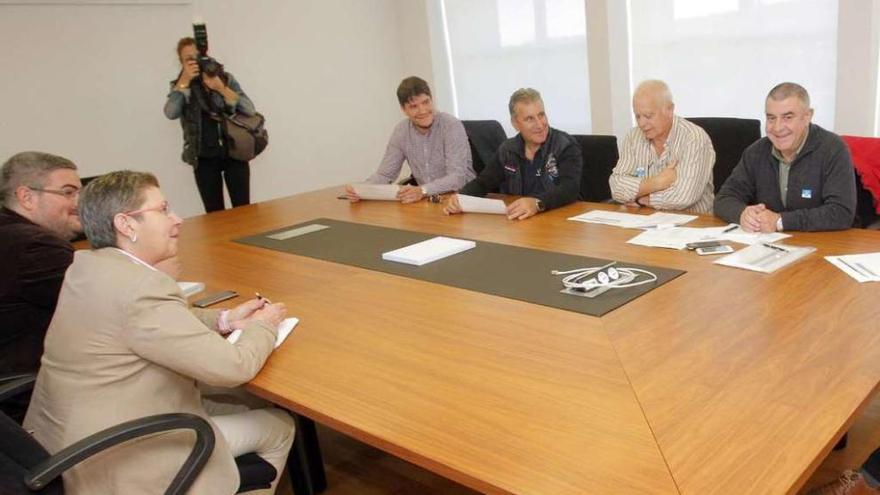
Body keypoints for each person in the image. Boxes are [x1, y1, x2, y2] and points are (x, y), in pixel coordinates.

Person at [24, 171, 294, 494]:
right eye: (163, 209)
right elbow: (234, 366)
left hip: (62, 444)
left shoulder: (88, 267)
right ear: (127, 225)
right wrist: (266, 324)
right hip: (116, 459)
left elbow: (156, 322)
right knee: (279, 425)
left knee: (240, 402)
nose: (176, 219)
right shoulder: (140, 288)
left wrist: (226, 320)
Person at [0, 151, 81, 422]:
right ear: (26, 197)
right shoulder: (35, 247)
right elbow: (111, 305)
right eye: (68, 193)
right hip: (35, 404)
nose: (78, 203)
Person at [714, 82, 856, 231]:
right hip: (769, 245)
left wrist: (780, 221)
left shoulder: (833, 149)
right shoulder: (756, 152)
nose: (777, 128)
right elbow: (724, 199)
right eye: (771, 118)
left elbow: (841, 213)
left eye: (787, 117)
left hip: (824, 244)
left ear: (807, 116)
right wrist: (743, 214)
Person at [443, 88, 582, 220]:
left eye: (541, 115)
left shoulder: (564, 145)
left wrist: (538, 203)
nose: (540, 124)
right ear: (515, 123)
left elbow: (570, 189)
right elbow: (483, 183)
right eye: (530, 119)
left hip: (558, 221)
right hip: (520, 221)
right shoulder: (508, 150)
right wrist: (461, 197)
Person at [345, 76, 475, 203]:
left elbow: (456, 178)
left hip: (464, 198)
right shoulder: (401, 131)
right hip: (428, 201)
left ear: (432, 100)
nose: (422, 110)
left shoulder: (451, 125)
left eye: (426, 102)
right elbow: (385, 175)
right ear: (403, 109)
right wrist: (361, 190)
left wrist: (422, 190)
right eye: (414, 106)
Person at [164, 37, 256, 213]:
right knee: (214, 214)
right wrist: (183, 82)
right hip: (203, 156)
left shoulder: (225, 78)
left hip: (234, 152)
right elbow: (170, 113)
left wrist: (221, 88)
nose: (194, 62)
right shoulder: (181, 85)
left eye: (196, 56)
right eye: (188, 59)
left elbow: (249, 110)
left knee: (243, 209)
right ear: (181, 63)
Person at [609, 80, 716, 213]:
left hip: (694, 224)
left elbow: (684, 196)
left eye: (648, 116)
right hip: (646, 220)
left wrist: (640, 199)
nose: (642, 123)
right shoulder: (633, 137)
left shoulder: (694, 138)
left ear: (669, 110)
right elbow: (616, 185)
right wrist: (657, 182)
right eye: (638, 116)